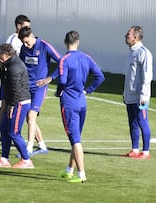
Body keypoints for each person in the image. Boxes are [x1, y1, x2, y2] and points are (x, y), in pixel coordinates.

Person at [48, 30, 104, 183]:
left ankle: (82, 175)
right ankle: (69, 170)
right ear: (78, 41)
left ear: (65, 42)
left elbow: (63, 81)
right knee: (76, 137)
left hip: (69, 104)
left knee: (75, 141)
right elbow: (100, 77)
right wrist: (88, 90)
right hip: (82, 103)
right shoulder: (87, 58)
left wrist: (58, 92)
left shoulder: (64, 60)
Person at [0, 43, 34, 169]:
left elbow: (15, 88)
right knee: (4, 129)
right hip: (13, 101)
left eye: (0, 55)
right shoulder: (8, 66)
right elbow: (6, 83)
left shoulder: (15, 67)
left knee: (14, 132)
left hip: (19, 102)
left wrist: (12, 105)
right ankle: (4, 159)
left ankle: (26, 160)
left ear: (7, 54)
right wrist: (2, 69)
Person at [18, 26, 61, 156]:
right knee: (29, 118)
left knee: (31, 117)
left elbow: (62, 62)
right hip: (25, 87)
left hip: (39, 88)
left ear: (32, 36)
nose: (26, 45)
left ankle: (28, 149)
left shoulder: (45, 46)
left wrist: (50, 78)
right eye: (23, 43)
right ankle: (42, 145)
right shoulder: (23, 48)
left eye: (27, 42)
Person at [0, 14, 31, 140]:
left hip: (18, 77)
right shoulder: (12, 40)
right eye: (26, 26)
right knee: (5, 104)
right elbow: (2, 57)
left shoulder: (25, 40)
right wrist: (4, 75)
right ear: (18, 26)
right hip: (10, 78)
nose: (28, 29)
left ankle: (7, 130)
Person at [122, 25, 153, 159]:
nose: (126, 36)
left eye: (128, 34)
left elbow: (147, 75)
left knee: (142, 121)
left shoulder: (143, 52)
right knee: (132, 122)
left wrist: (144, 95)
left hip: (141, 96)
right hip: (130, 96)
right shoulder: (131, 53)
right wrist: (125, 94)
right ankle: (135, 149)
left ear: (135, 37)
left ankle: (145, 151)